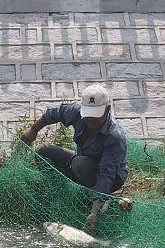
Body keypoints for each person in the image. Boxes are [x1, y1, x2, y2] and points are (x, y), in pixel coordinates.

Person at [22, 85, 129, 229]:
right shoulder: (76, 111)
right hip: (82, 162)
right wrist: (33, 130)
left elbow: (106, 175)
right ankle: (60, 191)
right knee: (43, 151)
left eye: (95, 115)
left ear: (107, 109)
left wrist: (93, 214)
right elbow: (55, 113)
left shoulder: (114, 137)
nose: (90, 119)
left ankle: (94, 201)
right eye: (88, 114)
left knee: (80, 164)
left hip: (111, 176)